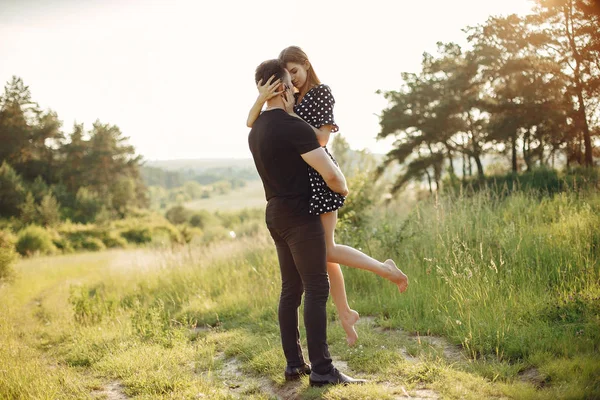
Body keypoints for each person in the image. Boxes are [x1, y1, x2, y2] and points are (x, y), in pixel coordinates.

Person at [247, 46, 408, 346]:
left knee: (326, 250)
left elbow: (320, 138)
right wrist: (264, 99)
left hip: (320, 176)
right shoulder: (285, 100)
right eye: (287, 75)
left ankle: (385, 270)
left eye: (295, 72)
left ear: (306, 65)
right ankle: (346, 313)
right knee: (323, 253)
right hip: (301, 182)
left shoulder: (321, 93)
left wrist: (292, 116)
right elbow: (250, 122)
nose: (292, 81)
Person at [248, 59, 366, 386]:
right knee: (316, 287)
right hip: (300, 216)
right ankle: (323, 370)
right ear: (284, 87)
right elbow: (329, 172)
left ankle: (293, 365)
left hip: (274, 214)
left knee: (291, 290)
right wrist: (342, 186)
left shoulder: (256, 129)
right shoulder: (293, 126)